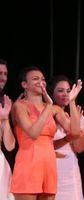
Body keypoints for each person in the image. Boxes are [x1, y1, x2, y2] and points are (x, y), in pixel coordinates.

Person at [10, 67, 82, 200]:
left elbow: (75, 133)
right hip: (28, 163)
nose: (40, 81)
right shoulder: (20, 106)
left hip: (48, 165)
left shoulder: (54, 108)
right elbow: (33, 133)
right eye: (35, 79)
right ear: (24, 84)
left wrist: (71, 101)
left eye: (42, 79)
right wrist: (48, 106)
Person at [47, 75, 84, 200]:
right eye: (60, 90)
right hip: (50, 166)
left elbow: (79, 148)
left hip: (69, 168)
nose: (65, 94)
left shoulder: (78, 116)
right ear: (51, 93)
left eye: (68, 91)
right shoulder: (46, 114)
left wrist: (76, 125)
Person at [0, 58, 15, 200]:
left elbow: (10, 146)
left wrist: (5, 118)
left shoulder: (4, 104)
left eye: (5, 74)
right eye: (0, 73)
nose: (3, 77)